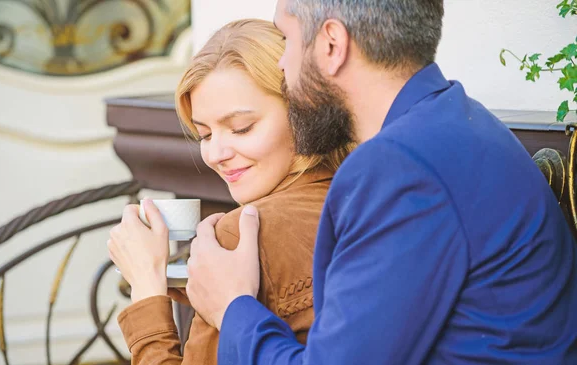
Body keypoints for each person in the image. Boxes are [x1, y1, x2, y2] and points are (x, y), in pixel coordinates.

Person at [184, 0, 577, 364]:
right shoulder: (454, 119)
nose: (283, 66)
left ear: (332, 45)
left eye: (287, 40)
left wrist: (231, 307)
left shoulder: (402, 167)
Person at [106, 19, 353, 365]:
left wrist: (146, 290)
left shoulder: (243, 232)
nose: (216, 154)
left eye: (241, 128)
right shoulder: (361, 196)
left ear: (304, 114)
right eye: (205, 135)